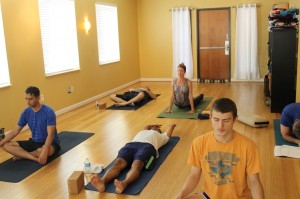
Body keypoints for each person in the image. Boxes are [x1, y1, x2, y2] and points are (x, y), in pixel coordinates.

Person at [174, 98, 264, 199]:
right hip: (209, 196)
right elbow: (194, 175)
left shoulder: (249, 146)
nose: (220, 126)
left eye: (226, 120)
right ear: (210, 117)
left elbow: (254, 181)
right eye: (216, 120)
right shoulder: (198, 143)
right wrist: (179, 196)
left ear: (235, 119)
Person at [90, 123, 177, 194]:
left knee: (136, 164)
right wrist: (152, 125)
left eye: (156, 128)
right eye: (153, 127)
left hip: (148, 147)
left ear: (159, 131)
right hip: (131, 145)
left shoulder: (160, 136)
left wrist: (171, 126)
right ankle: (102, 181)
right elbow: (146, 125)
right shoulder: (143, 131)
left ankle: (124, 183)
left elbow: (167, 135)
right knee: (118, 163)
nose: (155, 127)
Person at [0, 86, 60, 164]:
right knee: (6, 145)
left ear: (38, 98)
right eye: (26, 99)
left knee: (42, 151)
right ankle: (33, 158)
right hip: (34, 142)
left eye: (30, 99)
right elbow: (15, 131)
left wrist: (45, 150)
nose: (28, 102)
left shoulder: (48, 112)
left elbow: (50, 135)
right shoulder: (26, 112)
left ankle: (22, 155)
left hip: (50, 142)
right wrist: (0, 143)